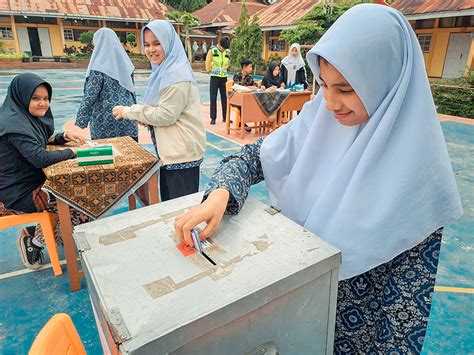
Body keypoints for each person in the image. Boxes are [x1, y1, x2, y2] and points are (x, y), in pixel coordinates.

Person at [174, 4, 463, 354]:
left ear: (386, 81)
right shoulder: (320, 123)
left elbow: (402, 321)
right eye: (323, 84)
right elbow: (251, 156)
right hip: (290, 320)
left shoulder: (419, 181)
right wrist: (220, 195)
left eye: (346, 89)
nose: (329, 102)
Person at [0, 73, 89, 269]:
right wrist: (73, 151)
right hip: (19, 192)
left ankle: (39, 232)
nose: (43, 103)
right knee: (79, 201)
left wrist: (62, 137)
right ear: (22, 97)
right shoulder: (14, 124)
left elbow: (38, 140)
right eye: (36, 98)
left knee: (78, 194)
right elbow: (39, 157)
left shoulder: (21, 117)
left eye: (46, 98)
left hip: (26, 182)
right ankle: (35, 243)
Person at [112, 20, 205, 202]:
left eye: (157, 43)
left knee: (181, 211)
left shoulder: (175, 75)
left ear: (168, 43)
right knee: (173, 209)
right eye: (146, 44)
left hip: (181, 156)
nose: (150, 50)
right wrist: (147, 116)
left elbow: (165, 115)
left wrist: (129, 111)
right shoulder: (165, 71)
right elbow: (163, 109)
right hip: (172, 152)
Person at [75, 28, 138, 141]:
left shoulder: (98, 68)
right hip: (127, 116)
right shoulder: (127, 64)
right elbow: (132, 92)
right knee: (132, 153)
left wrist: (81, 120)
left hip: (104, 120)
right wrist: (135, 112)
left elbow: (90, 96)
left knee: (108, 155)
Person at [205, 36, 231, 125]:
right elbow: (208, 62)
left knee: (225, 98)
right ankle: (213, 118)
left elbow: (228, 62)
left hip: (224, 77)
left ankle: (225, 117)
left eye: (225, 48)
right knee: (213, 98)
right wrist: (209, 70)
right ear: (219, 44)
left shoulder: (227, 51)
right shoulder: (212, 51)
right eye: (222, 48)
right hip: (214, 77)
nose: (223, 50)